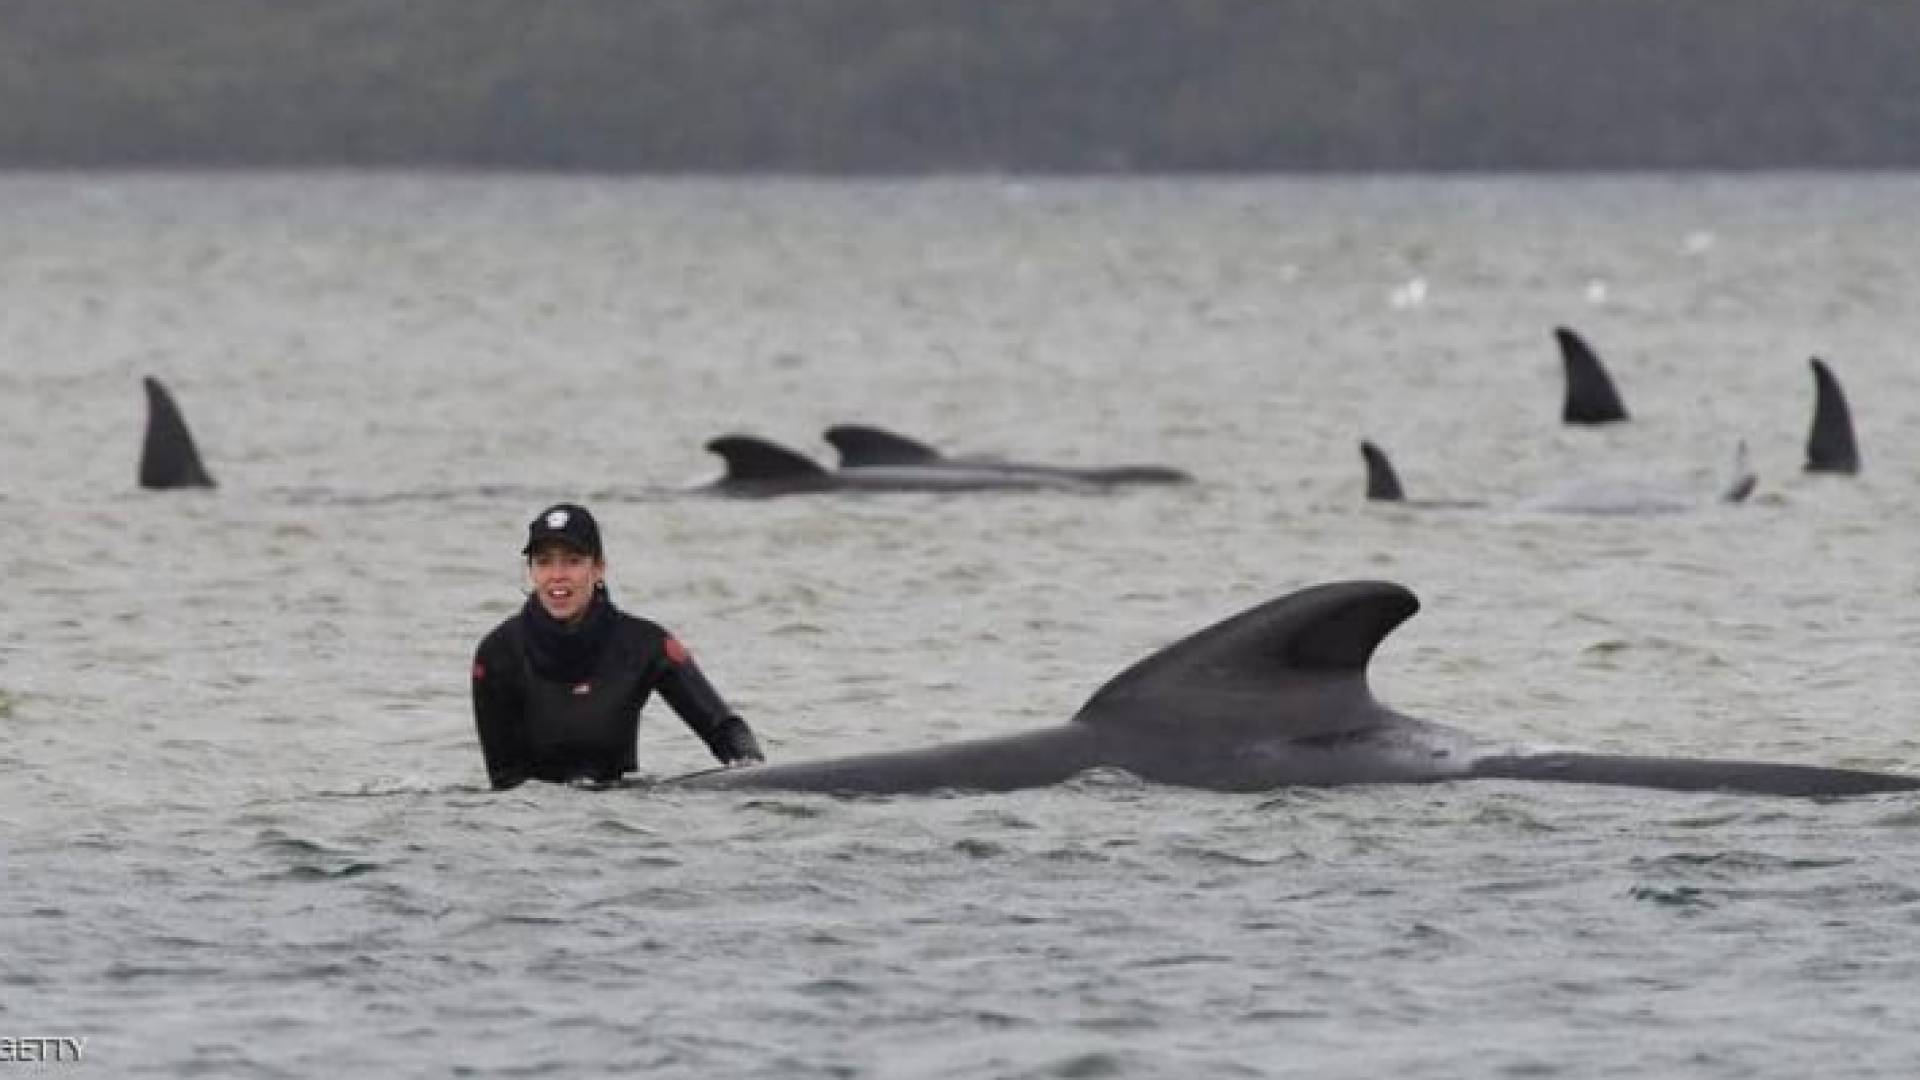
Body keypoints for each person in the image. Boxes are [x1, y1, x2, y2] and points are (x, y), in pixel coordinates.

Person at [470, 502, 764, 790]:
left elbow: (724, 728)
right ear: (531, 571)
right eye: (544, 561)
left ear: (599, 569)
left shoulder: (645, 643)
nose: (557, 575)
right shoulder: (497, 654)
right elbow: (505, 784)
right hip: (536, 827)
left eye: (572, 560)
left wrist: (755, 780)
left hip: (622, 819)